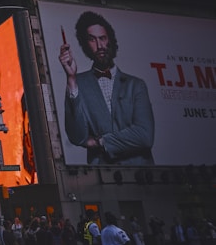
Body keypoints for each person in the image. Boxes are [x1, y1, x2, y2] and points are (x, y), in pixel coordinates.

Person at [59, 11, 154, 165]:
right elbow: (78, 137)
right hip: (102, 176)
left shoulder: (136, 85)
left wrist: (101, 142)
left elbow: (145, 136)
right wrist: (71, 78)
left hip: (142, 176)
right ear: (85, 45)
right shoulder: (78, 83)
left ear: (110, 40)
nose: (100, 46)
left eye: (103, 38)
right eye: (92, 40)